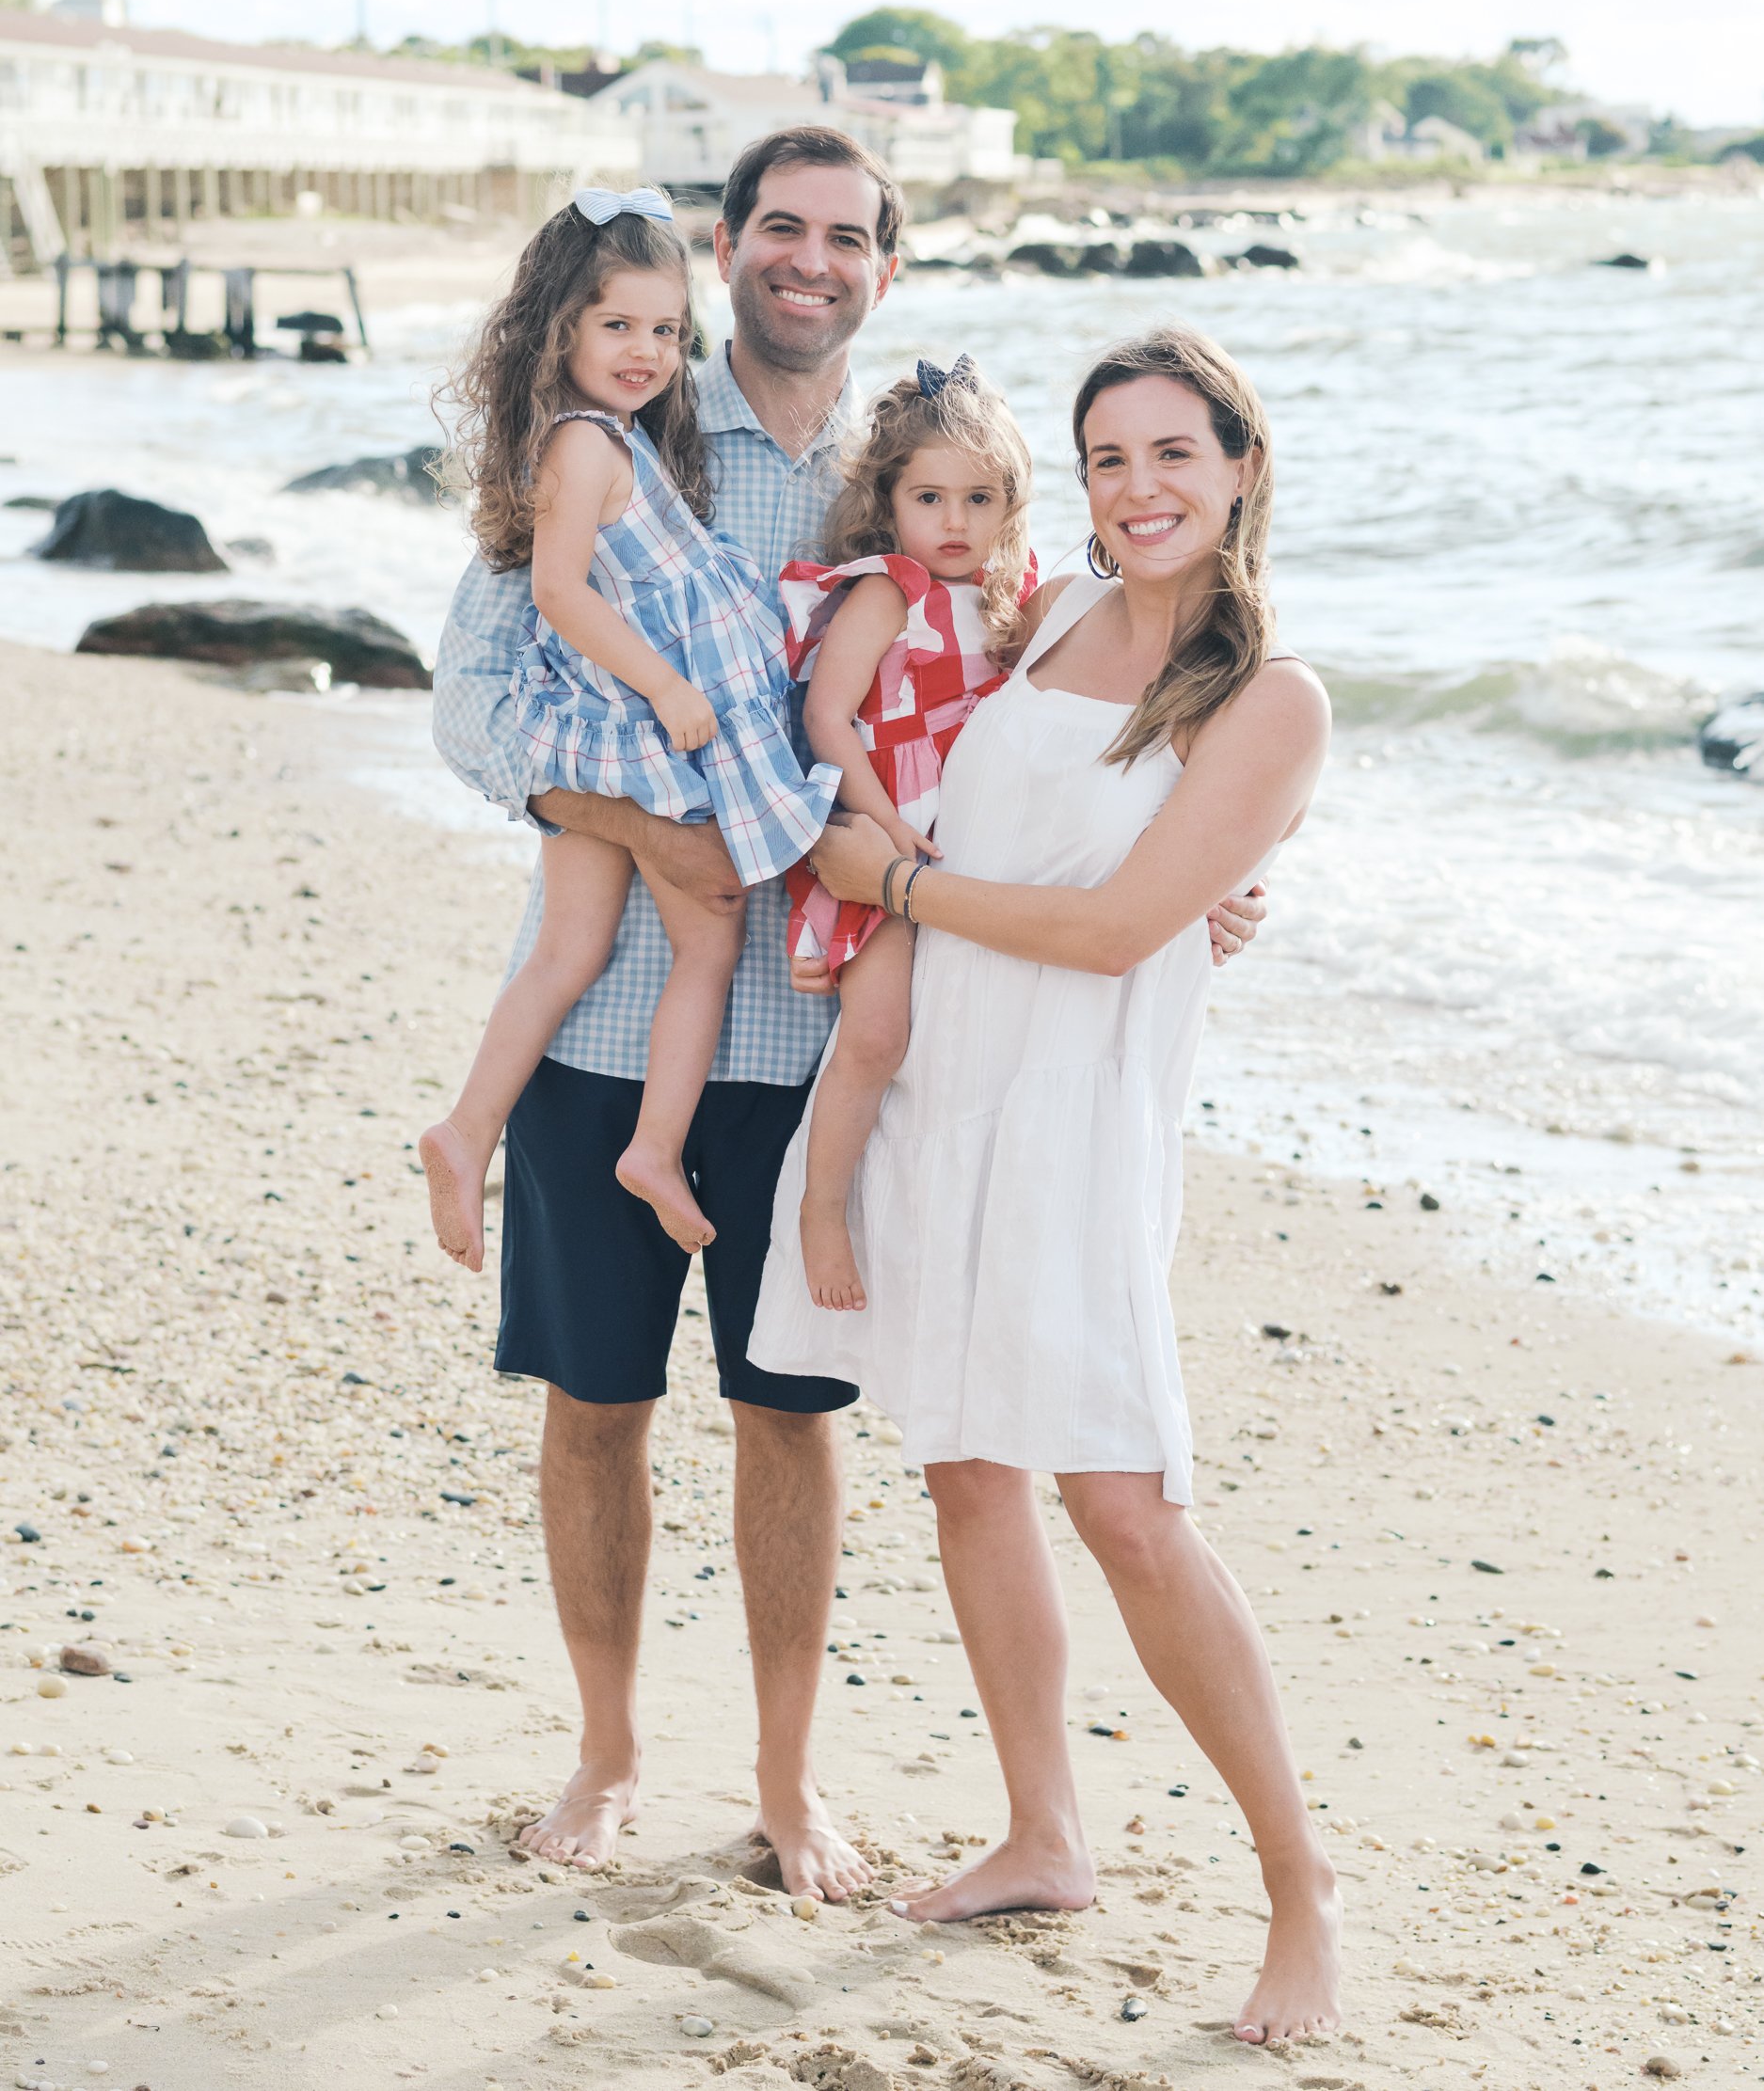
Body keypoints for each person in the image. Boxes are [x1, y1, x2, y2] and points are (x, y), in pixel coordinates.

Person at [428, 129, 1270, 1903]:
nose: (811, 261)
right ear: (732, 246)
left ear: (889, 264)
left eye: (849, 237)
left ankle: (789, 1787)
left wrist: (1203, 881)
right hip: (622, 1021)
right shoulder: (628, 416)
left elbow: (1059, 723)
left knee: (786, 1417)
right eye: (782, 230)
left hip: (831, 1054)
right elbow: (477, 706)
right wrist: (662, 835)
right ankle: (605, 1753)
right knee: (592, 1403)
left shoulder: (923, 477)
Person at [751, 325, 1341, 2044]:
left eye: (1174, 453)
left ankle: (1298, 1889)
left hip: (1075, 1125)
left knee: (1128, 1504)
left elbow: (1103, 931)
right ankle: (1043, 1831)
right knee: (966, 1468)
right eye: (1107, 458)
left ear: (1241, 464)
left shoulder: (1270, 697)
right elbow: (977, 791)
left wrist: (898, 888)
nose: (1140, 488)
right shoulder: (1060, 612)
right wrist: (902, 881)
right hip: (942, 1083)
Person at [419, 186, 836, 1271]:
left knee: (572, 949)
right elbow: (559, 593)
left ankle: (467, 1131)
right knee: (709, 929)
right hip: (624, 726)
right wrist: (668, 688)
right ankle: (650, 1145)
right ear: (560, 330)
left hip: (603, 720)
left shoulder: (614, 435)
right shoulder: (585, 446)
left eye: (665, 330)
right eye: (619, 327)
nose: (648, 351)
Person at [780, 354, 1035, 1309]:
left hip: (973, 861)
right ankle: (821, 1207)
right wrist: (885, 829)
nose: (957, 522)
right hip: (878, 850)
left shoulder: (1019, 599)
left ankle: (954, 1242)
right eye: (931, 497)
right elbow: (828, 717)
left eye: (981, 497)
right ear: (890, 502)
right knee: (879, 1035)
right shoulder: (890, 588)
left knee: (965, 1055)